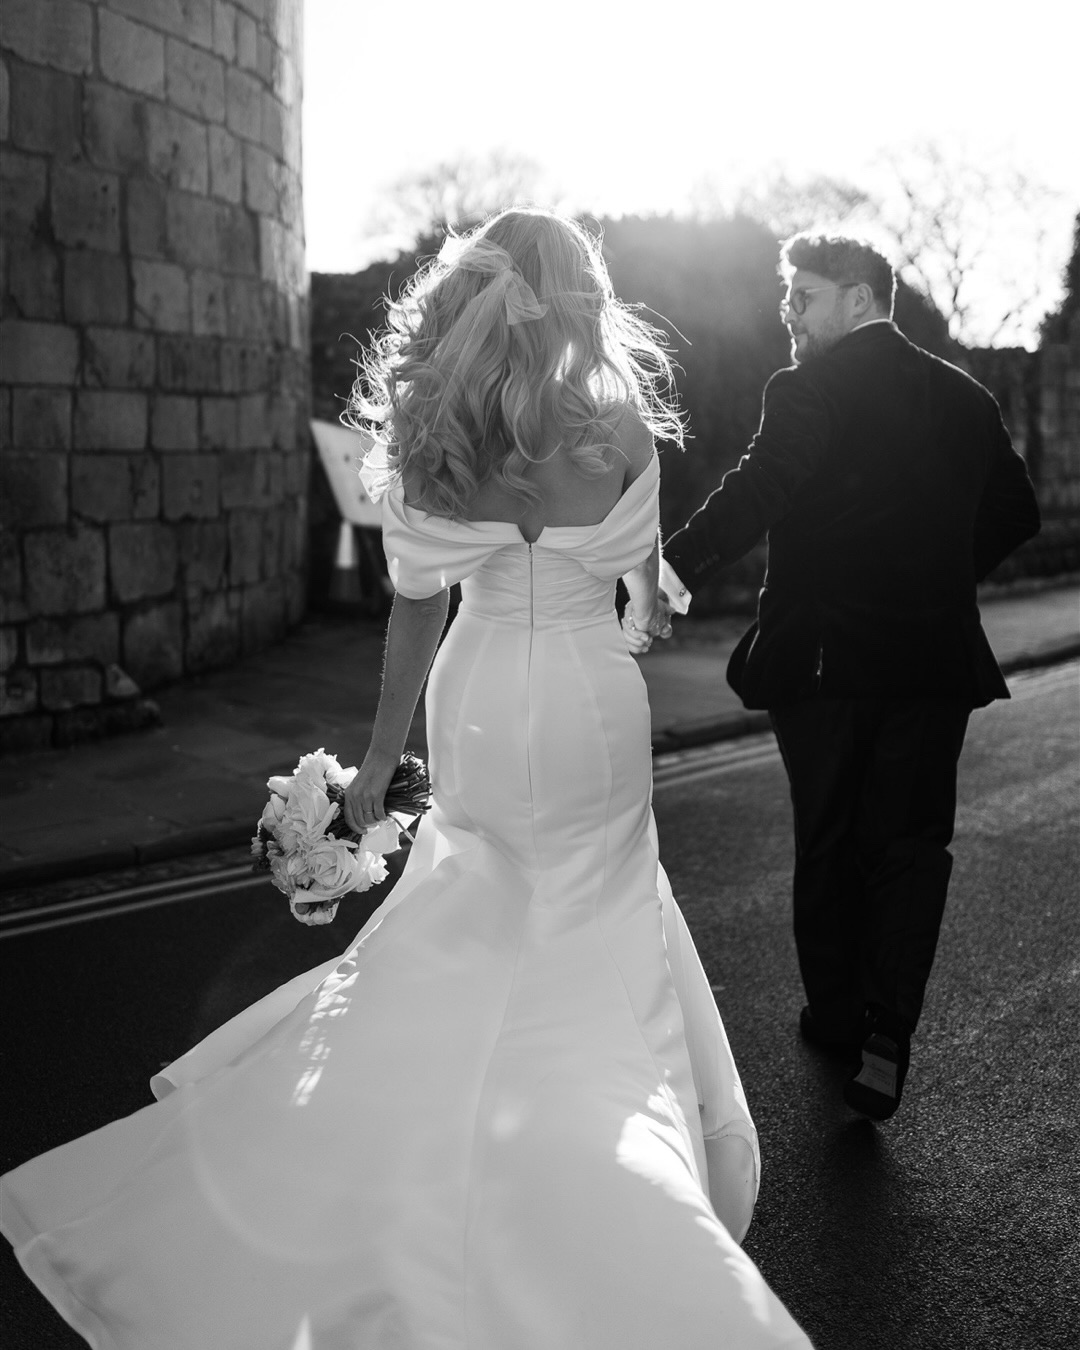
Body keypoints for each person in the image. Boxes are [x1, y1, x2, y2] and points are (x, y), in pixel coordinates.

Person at [1, 209, 813, 1349]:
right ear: (579, 299)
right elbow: (639, 585)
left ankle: (429, 1151)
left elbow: (416, 609)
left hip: (477, 700)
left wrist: (380, 762)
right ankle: (607, 1166)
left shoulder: (443, 436)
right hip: (590, 704)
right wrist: (635, 598)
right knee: (600, 899)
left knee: (475, 901)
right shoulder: (624, 428)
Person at [659, 232, 1040, 1122]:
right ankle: (887, 1030)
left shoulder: (808, 388)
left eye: (804, 296)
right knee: (909, 844)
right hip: (935, 660)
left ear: (859, 298)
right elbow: (1016, 511)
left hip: (824, 660)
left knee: (829, 839)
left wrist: (670, 572)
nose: (787, 312)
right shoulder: (966, 397)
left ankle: (836, 1017)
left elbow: (763, 485)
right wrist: (937, 578)